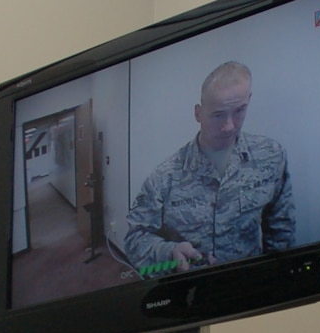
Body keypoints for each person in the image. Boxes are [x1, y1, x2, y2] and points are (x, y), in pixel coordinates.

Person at [123, 62, 294, 273]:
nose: (229, 125)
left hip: (253, 286)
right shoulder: (164, 177)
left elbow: (281, 229)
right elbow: (134, 239)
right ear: (198, 113)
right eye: (218, 114)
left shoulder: (271, 157)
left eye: (239, 110)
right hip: (190, 294)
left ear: (249, 101)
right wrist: (169, 252)